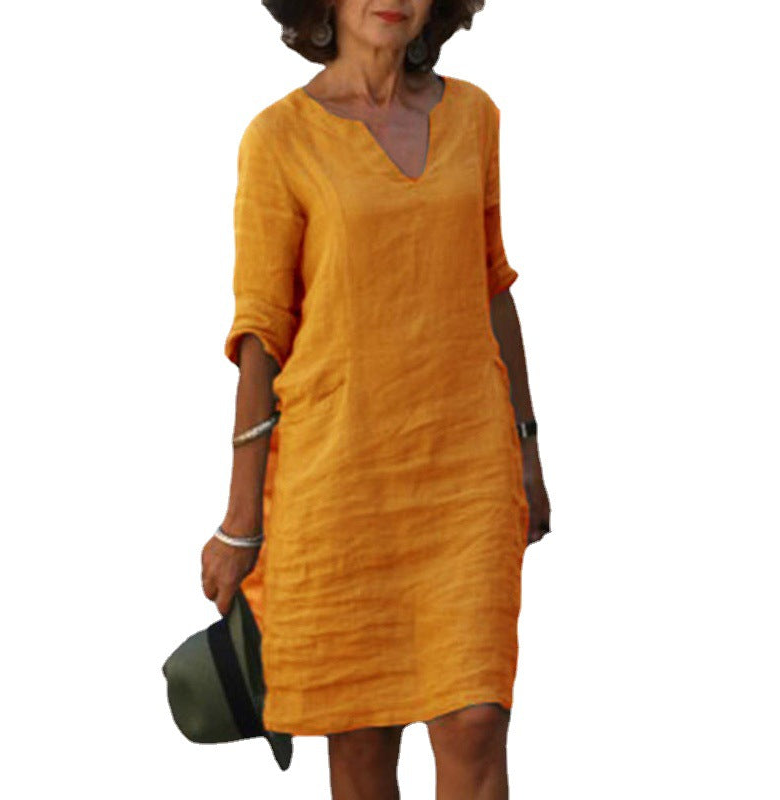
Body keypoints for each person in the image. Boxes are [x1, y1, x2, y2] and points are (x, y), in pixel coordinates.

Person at [200, 1, 551, 797]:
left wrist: (528, 451)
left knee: (476, 723)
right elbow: (261, 335)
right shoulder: (279, 137)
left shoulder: (474, 117)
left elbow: (492, 286)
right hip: (339, 487)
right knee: (361, 743)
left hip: (467, 474)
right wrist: (240, 519)